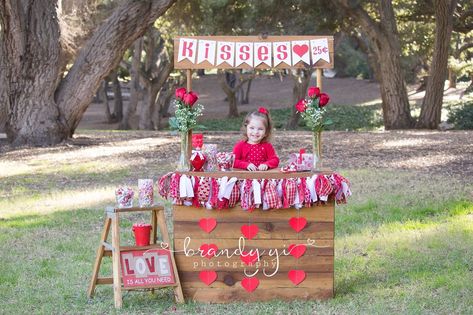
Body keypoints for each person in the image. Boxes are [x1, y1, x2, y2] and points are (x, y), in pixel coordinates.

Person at [233, 107, 279, 171]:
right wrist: (246, 165)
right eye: (252, 128)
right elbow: (233, 161)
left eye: (260, 129)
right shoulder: (240, 145)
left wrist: (266, 164)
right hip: (245, 178)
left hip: (262, 178)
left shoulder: (267, 146)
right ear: (246, 128)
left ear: (266, 132)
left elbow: (275, 160)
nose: (255, 132)